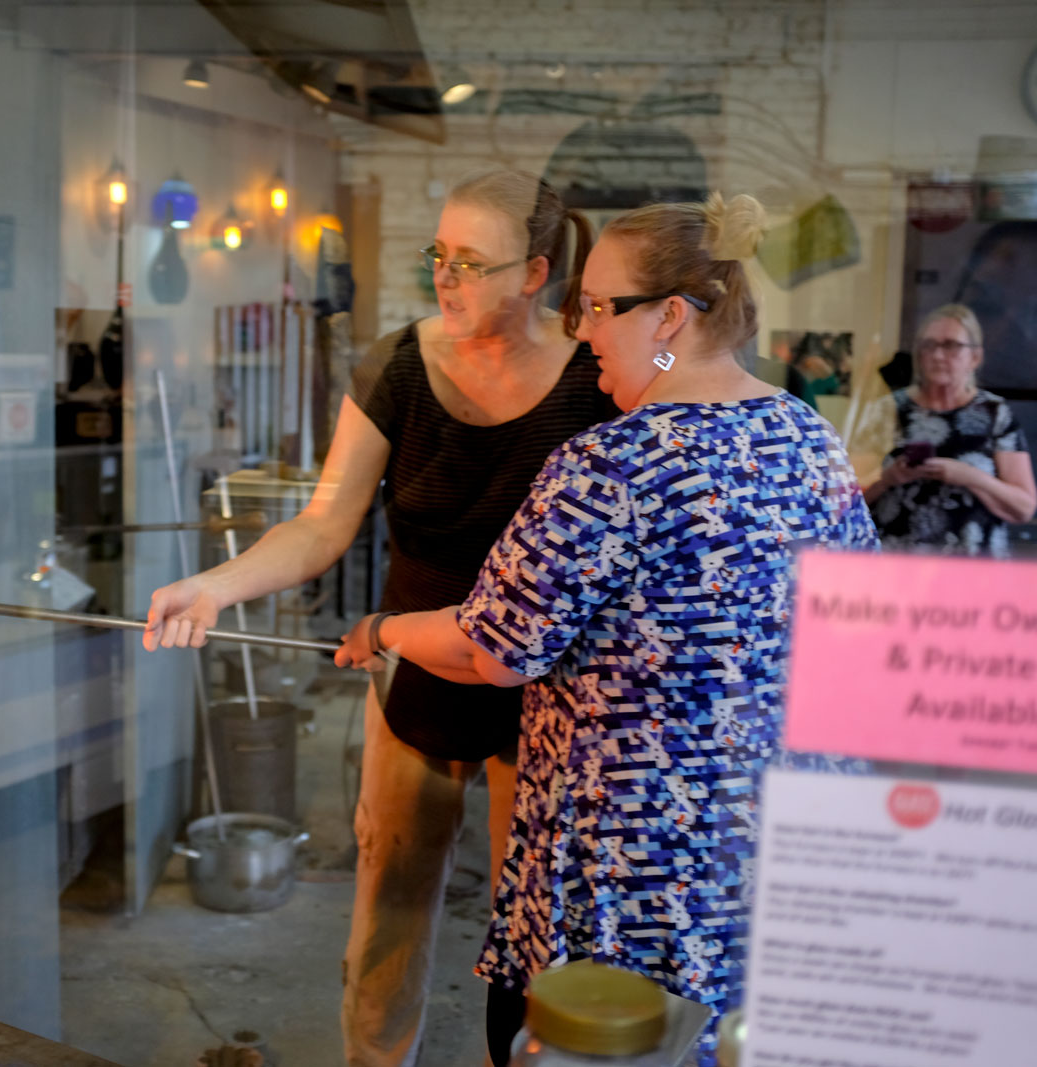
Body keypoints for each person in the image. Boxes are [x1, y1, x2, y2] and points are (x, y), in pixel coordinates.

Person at [336, 193, 879, 1067]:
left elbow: (490, 650)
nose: (582, 330)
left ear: (670, 315)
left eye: (598, 306)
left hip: (633, 875)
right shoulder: (806, 439)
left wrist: (384, 627)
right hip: (763, 861)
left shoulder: (609, 465)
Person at [144, 169, 615, 1067]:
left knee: (538, 943)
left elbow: (680, 388)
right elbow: (325, 520)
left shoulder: (598, 373)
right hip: (417, 674)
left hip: (545, 694)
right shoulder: (399, 364)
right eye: (438, 256)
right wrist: (219, 584)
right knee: (386, 924)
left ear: (536, 272)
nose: (447, 277)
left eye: (473, 262)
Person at [862, 304, 1037, 555]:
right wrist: (887, 479)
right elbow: (845, 500)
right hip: (900, 562)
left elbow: (1024, 507)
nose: (938, 355)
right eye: (928, 345)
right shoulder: (888, 409)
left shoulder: (995, 414)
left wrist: (970, 476)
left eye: (951, 345)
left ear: (975, 357)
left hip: (974, 566)